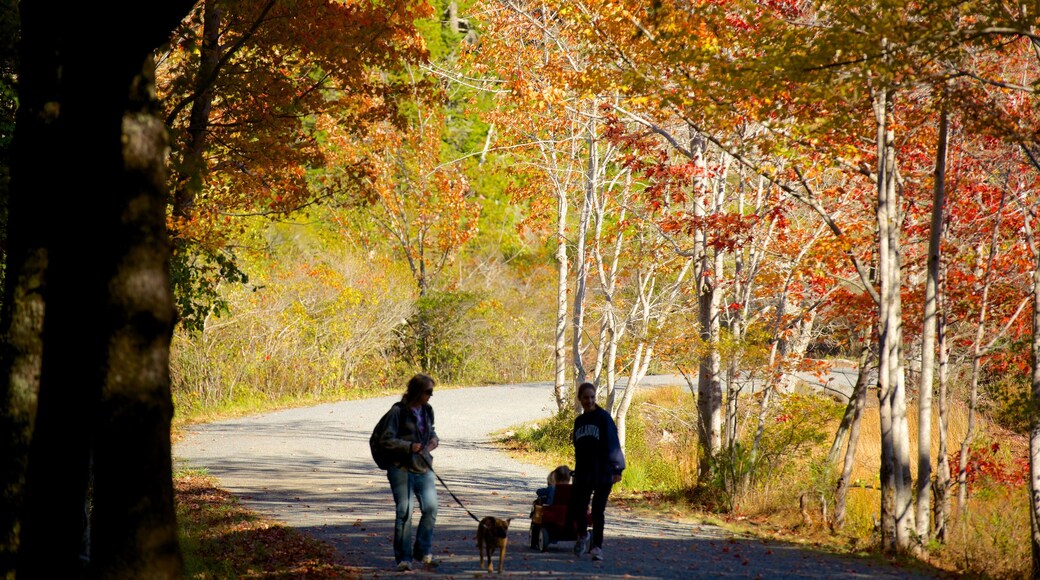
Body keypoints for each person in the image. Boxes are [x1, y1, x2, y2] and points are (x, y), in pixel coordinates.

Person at [378, 373, 441, 572]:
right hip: (401, 468)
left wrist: (433, 441)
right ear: (417, 392)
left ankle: (423, 551)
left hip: (423, 467)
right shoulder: (397, 412)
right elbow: (385, 440)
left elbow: (430, 431)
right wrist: (408, 446)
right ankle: (404, 559)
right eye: (428, 392)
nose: (430, 396)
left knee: (431, 508)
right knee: (404, 512)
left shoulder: (427, 410)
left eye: (432, 392)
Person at [566, 382, 625, 562]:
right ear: (580, 399)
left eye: (592, 397)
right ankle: (583, 536)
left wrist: (617, 468)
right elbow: (578, 448)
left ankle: (597, 547)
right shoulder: (579, 422)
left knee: (598, 511)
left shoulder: (604, 418)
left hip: (603, 472)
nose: (589, 401)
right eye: (586, 397)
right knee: (579, 506)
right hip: (584, 472)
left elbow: (613, 444)